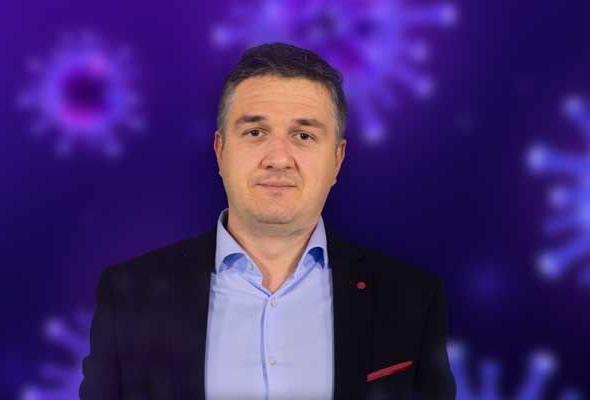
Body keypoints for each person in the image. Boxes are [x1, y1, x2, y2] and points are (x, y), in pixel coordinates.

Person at [80, 42, 456, 400]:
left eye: (303, 135)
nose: (278, 158)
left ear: (337, 159)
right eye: (255, 132)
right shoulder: (130, 295)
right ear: (220, 150)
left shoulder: (411, 300)